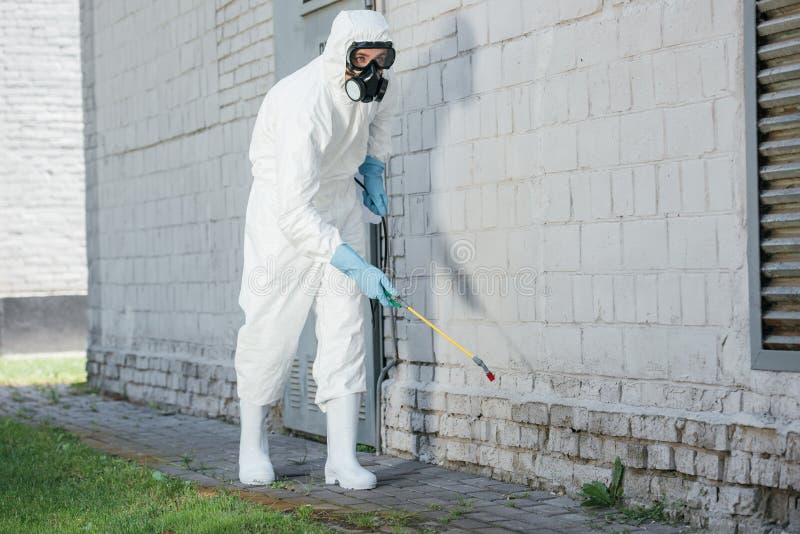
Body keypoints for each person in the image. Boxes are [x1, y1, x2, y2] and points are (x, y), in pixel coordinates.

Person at [233, 9, 399, 491]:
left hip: (338, 200)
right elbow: (293, 209)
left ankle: (342, 459)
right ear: (340, 56)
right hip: (284, 213)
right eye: (362, 60)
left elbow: (380, 120)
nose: (372, 71)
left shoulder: (378, 84)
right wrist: (351, 262)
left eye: (380, 60)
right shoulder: (302, 103)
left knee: (346, 326)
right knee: (270, 323)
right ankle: (252, 446)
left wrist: (373, 167)